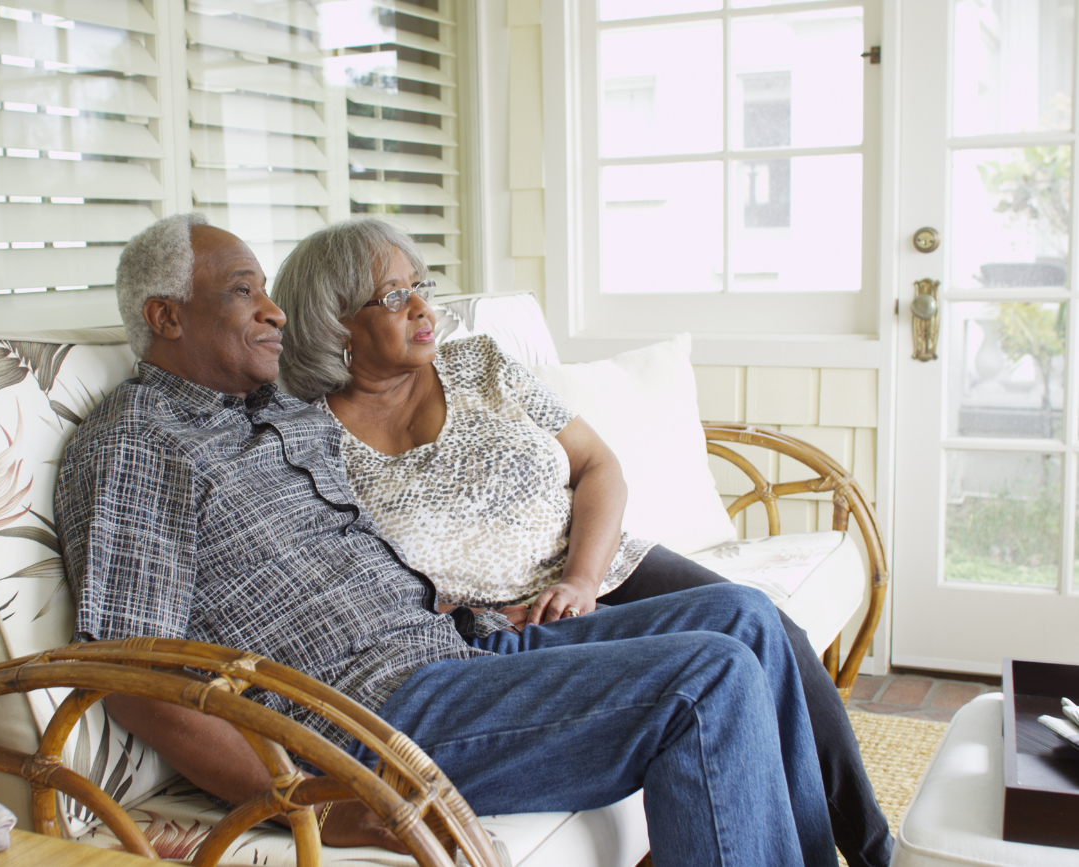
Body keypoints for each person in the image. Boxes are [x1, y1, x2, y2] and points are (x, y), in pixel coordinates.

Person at [56, 212, 837, 867]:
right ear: (165, 317)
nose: (274, 311)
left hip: (465, 648)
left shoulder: (276, 411)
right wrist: (314, 803)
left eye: (267, 289)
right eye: (242, 291)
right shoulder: (136, 440)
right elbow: (134, 674)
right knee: (708, 676)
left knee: (743, 618)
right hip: (375, 713)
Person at [272, 217, 892, 867]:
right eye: (394, 296)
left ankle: (872, 850)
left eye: (420, 283)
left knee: (765, 628)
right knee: (716, 671)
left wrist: (582, 578)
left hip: (601, 567)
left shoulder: (478, 364)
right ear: (333, 321)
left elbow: (598, 464)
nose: (425, 307)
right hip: (505, 623)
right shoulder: (310, 447)